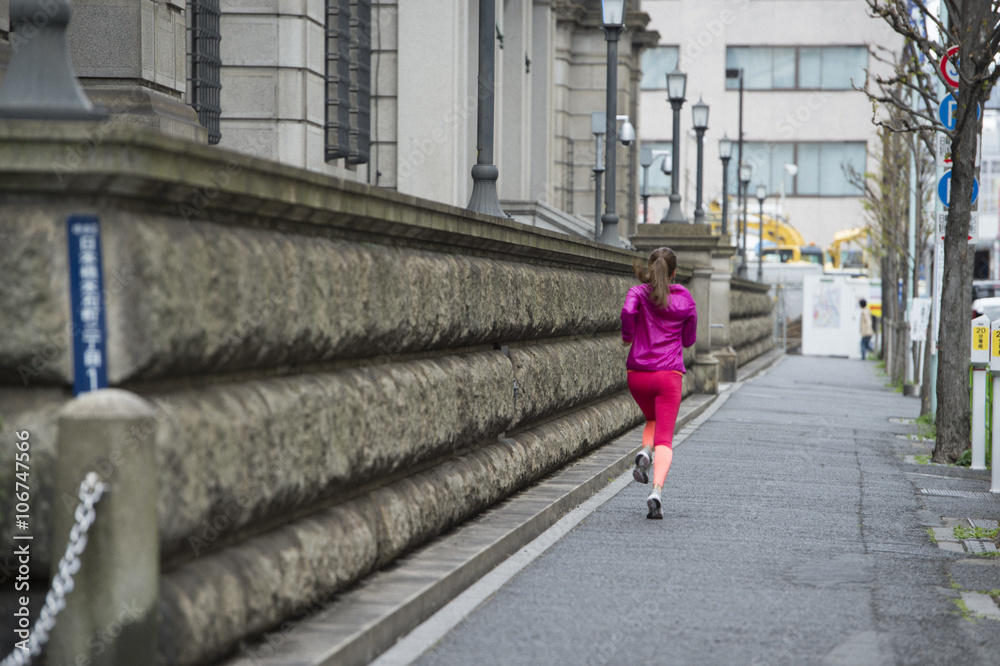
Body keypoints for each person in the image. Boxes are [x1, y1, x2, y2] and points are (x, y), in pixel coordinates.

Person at [621, 247, 698, 519]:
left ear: (650, 268)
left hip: (637, 375)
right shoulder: (685, 298)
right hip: (668, 376)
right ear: (674, 272)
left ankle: (644, 451)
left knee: (651, 419)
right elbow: (688, 340)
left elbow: (628, 311)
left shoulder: (638, 293)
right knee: (664, 437)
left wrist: (628, 335)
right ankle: (656, 490)